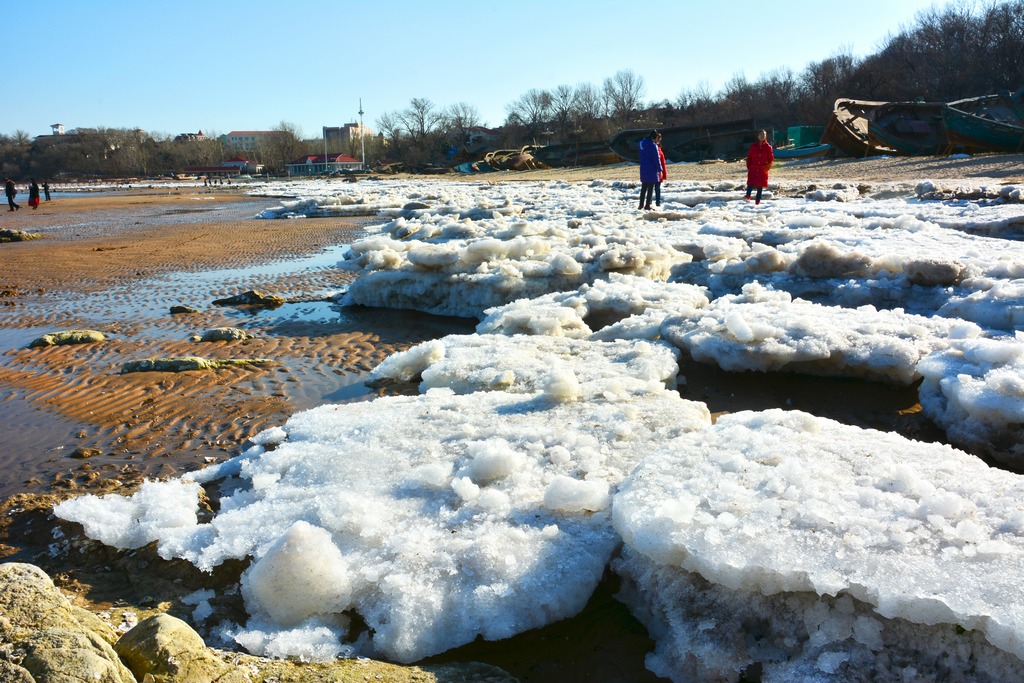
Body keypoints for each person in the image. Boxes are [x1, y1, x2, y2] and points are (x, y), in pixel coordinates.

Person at [744, 129, 774, 205]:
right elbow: (749, 157)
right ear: (758, 136)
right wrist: (749, 166)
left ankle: (757, 203)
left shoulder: (768, 147)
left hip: (762, 169)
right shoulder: (753, 146)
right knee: (750, 183)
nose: (762, 136)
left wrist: (766, 168)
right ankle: (747, 196)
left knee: (760, 187)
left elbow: (771, 159)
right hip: (753, 168)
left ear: (766, 136)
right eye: (761, 134)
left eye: (763, 135)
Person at [637, 130, 661, 210]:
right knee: (650, 187)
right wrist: (660, 169)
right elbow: (656, 159)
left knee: (643, 187)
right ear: (652, 138)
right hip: (652, 169)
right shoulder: (653, 146)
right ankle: (647, 205)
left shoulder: (641, 144)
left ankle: (641, 205)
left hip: (643, 168)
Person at [655, 132, 667, 207]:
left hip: (659, 171)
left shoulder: (659, 149)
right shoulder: (656, 149)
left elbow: (662, 162)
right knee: (656, 188)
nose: (659, 140)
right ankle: (657, 203)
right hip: (656, 171)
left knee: (657, 188)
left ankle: (657, 203)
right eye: (658, 138)